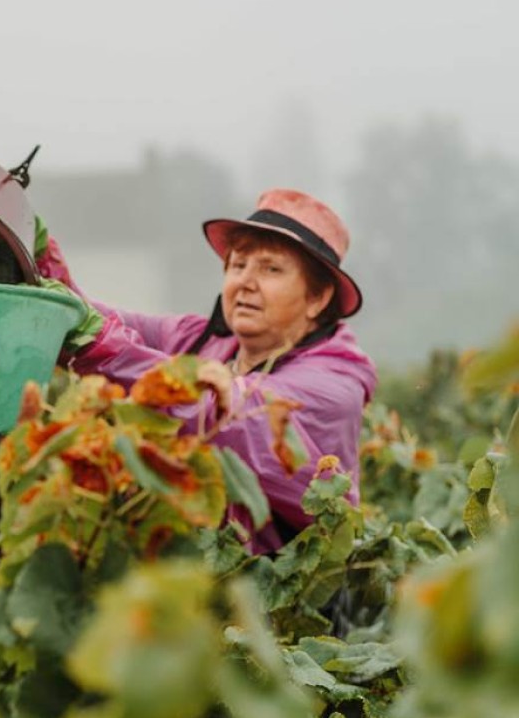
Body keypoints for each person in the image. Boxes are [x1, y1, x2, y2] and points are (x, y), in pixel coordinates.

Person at [39, 188, 377, 553]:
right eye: (238, 265)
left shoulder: (334, 386)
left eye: (271, 269)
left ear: (317, 298)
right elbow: (98, 319)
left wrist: (99, 344)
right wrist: (38, 256)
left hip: (265, 585)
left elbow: (228, 418)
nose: (246, 282)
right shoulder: (203, 339)